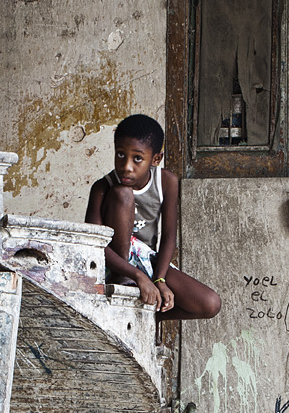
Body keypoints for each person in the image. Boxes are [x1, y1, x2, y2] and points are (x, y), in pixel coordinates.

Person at [85, 114, 221, 320]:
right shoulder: (102, 187)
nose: (126, 166)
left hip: (148, 259)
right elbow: (93, 244)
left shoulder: (166, 181)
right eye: (121, 155)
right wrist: (136, 275)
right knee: (123, 193)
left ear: (156, 159)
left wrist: (159, 280)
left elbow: (168, 236)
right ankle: (125, 281)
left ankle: (147, 316)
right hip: (113, 263)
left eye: (137, 158)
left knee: (209, 304)